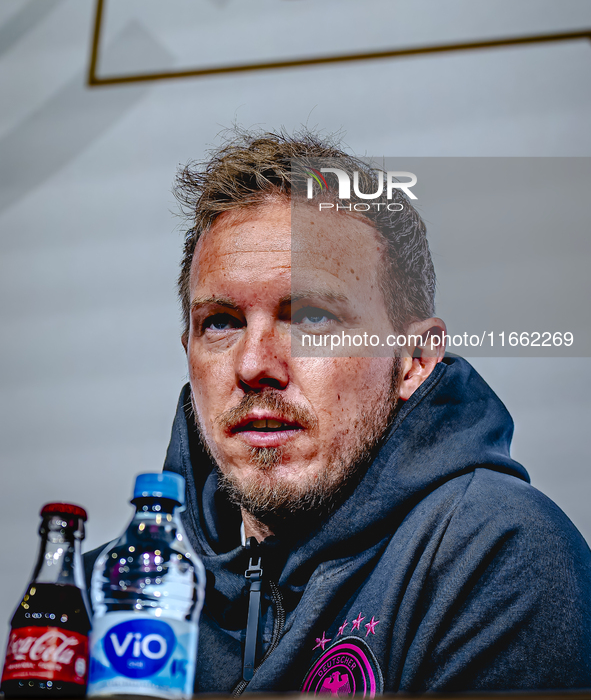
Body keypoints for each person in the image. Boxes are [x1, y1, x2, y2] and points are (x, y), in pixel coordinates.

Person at [88, 129, 591, 695]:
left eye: (310, 316)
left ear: (414, 360)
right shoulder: (99, 596)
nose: (254, 363)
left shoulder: (495, 550)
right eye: (221, 323)